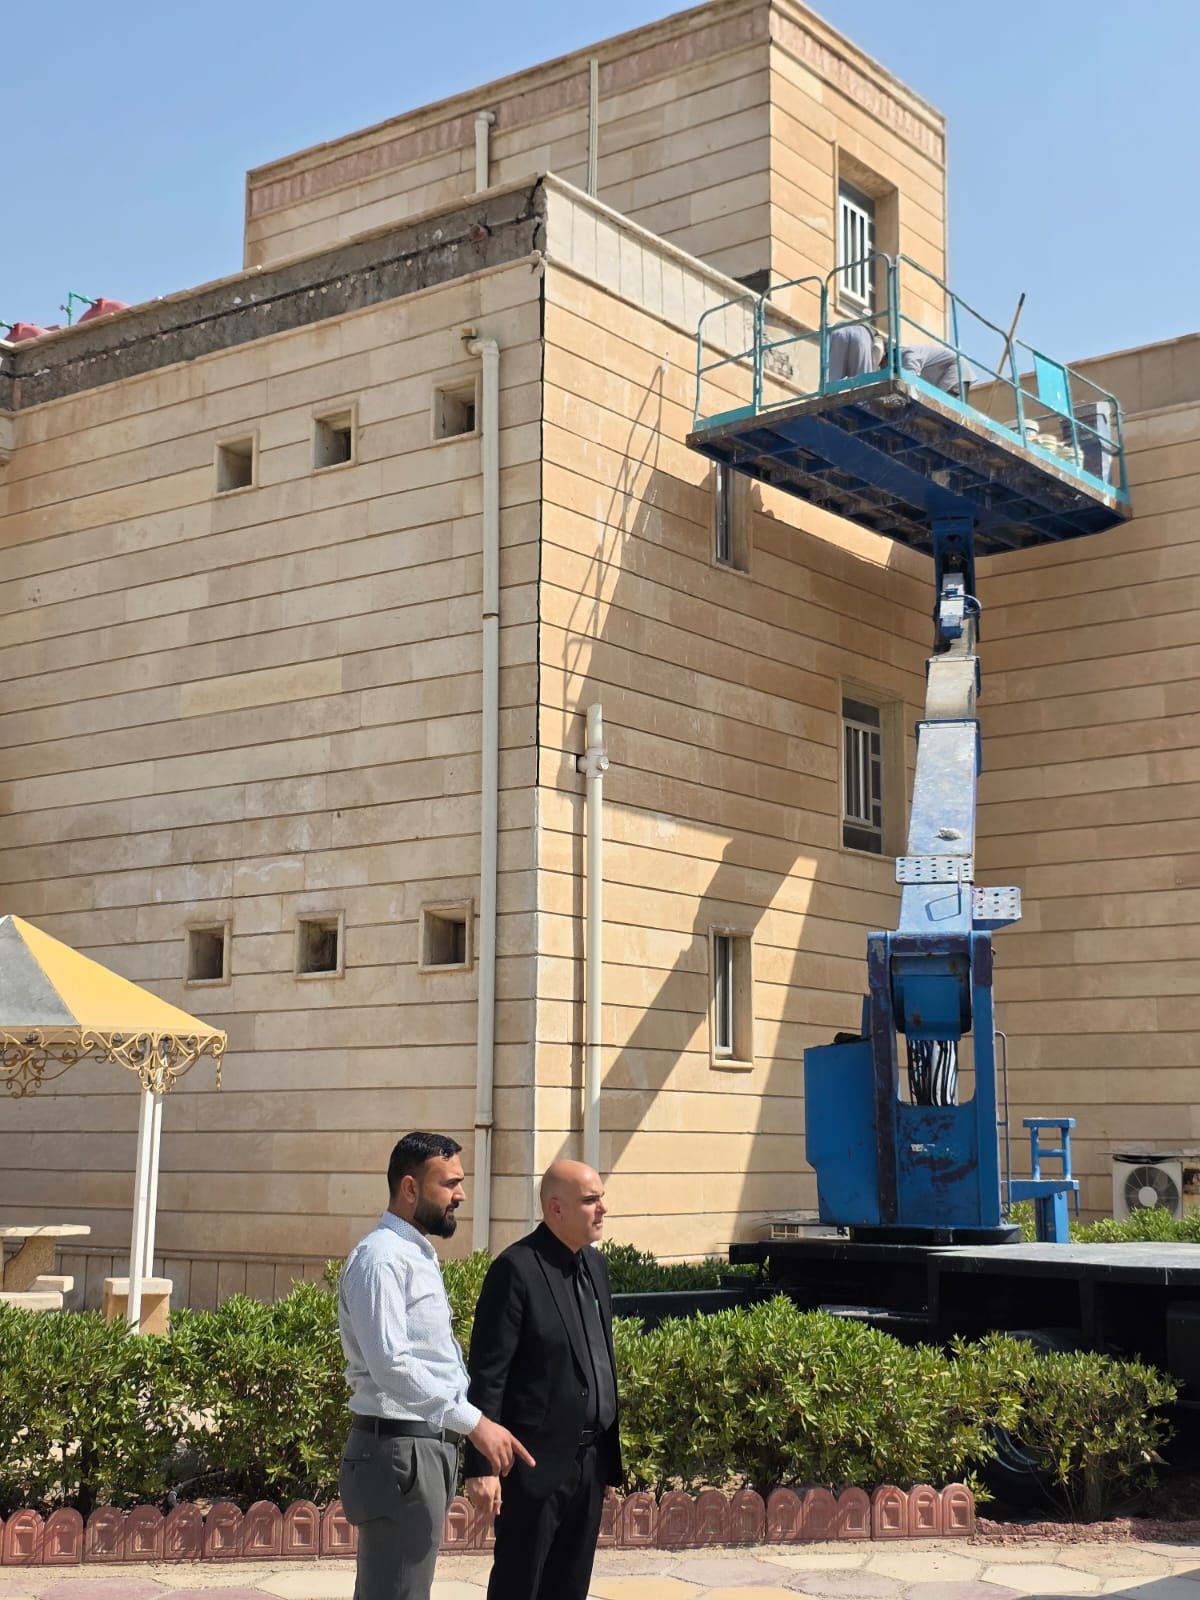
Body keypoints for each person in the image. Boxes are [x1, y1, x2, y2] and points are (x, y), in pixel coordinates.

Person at [337, 1132, 534, 1600]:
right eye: (449, 1184)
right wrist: (476, 1424)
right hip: (400, 1451)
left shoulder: (412, 1253)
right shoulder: (381, 1259)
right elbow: (391, 1364)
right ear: (410, 1188)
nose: (460, 1195)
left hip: (419, 1449)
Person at [464, 1159, 623, 1600]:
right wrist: (482, 1467)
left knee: (570, 1588)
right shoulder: (516, 1269)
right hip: (532, 1467)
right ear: (556, 1208)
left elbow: (597, 1360)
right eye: (590, 1200)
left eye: (601, 1198)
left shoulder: (595, 1266)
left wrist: (607, 1458)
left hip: (589, 1464)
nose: (603, 1208)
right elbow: (488, 1372)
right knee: (520, 1587)